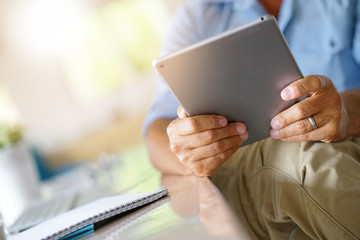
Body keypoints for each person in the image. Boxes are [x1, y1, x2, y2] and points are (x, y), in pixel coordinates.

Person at [144, 0, 360, 239]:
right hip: (251, 165)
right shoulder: (198, 19)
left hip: (349, 143)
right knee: (313, 165)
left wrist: (347, 111)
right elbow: (156, 133)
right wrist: (189, 150)